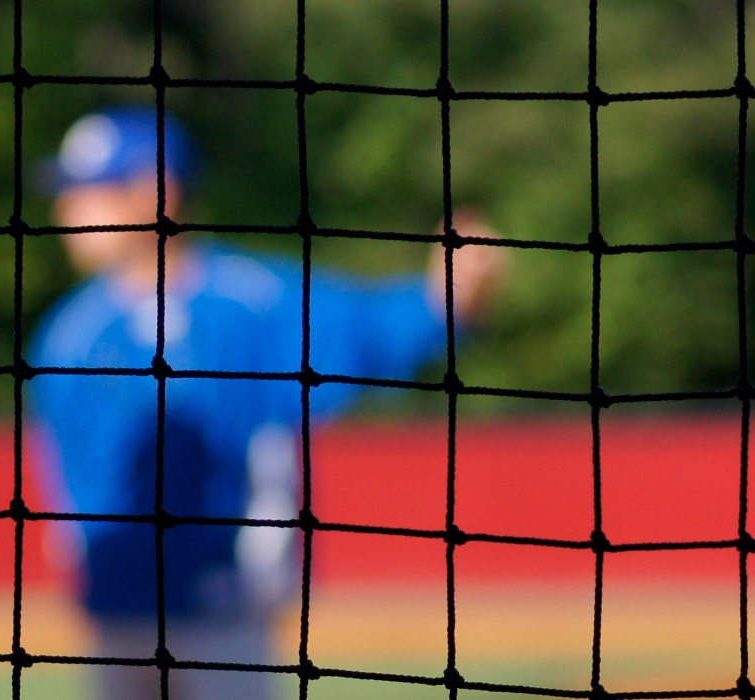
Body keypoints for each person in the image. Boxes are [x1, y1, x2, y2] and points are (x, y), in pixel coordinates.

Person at [28, 105, 507, 700]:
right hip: (116, 611)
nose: (67, 211)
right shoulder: (68, 332)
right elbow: (61, 469)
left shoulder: (253, 300)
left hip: (231, 608)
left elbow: (376, 328)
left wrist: (450, 296)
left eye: (91, 192)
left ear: (158, 191)